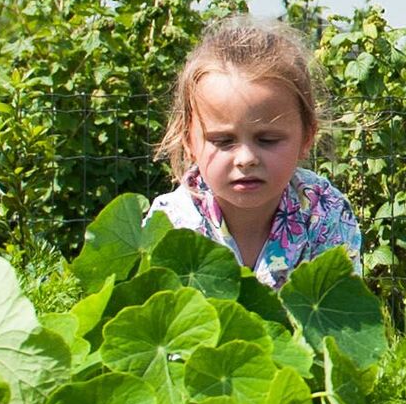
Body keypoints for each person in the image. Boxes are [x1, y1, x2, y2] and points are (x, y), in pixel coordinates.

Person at [149, 15, 361, 287]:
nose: (246, 159)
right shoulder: (169, 223)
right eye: (223, 141)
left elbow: (339, 315)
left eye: (269, 139)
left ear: (307, 137)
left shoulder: (326, 213)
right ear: (188, 141)